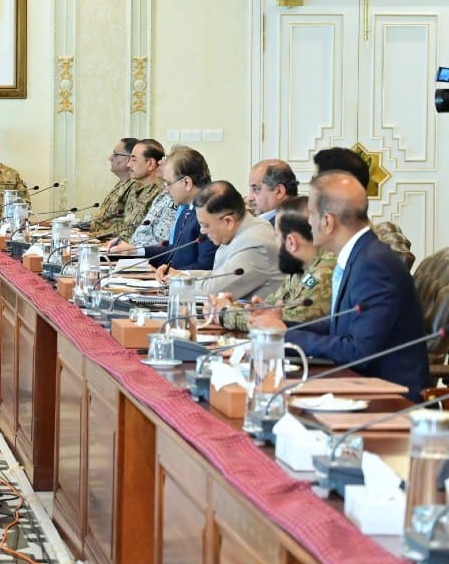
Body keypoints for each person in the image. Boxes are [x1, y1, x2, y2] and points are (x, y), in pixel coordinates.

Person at [255, 171, 430, 400]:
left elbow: (359, 352)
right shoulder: (361, 254)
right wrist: (282, 324)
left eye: (312, 215)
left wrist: (284, 334)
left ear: (327, 221)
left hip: (391, 399)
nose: (308, 222)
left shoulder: (373, 265)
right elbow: (343, 325)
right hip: (361, 385)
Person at [209, 196, 334, 332]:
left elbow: (283, 321)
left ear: (291, 242)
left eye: (277, 236)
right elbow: (268, 308)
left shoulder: (324, 273)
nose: (276, 242)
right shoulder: (299, 268)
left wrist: (224, 313)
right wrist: (228, 306)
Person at [117, 147, 216, 270]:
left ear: (187, 182)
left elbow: (205, 267)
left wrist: (171, 274)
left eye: (168, 183)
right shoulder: (187, 208)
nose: (165, 190)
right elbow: (175, 251)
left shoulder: (210, 213)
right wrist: (134, 251)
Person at [183, 181, 283, 300]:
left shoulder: (256, 244)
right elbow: (219, 276)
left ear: (228, 221)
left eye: (205, 225)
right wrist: (180, 275)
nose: (202, 231)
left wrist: (177, 284)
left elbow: (213, 290)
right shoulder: (243, 230)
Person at [95, 139, 165, 242]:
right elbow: (126, 228)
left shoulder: (161, 194)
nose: (129, 165)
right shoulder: (135, 189)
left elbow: (150, 238)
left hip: (136, 254)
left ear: (150, 164)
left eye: (134, 160)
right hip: (121, 249)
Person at [93, 138, 138, 232]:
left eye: (115, 154)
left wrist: (93, 236)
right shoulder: (122, 183)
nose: (110, 158)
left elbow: (128, 228)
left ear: (128, 159)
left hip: (110, 243)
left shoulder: (135, 187)